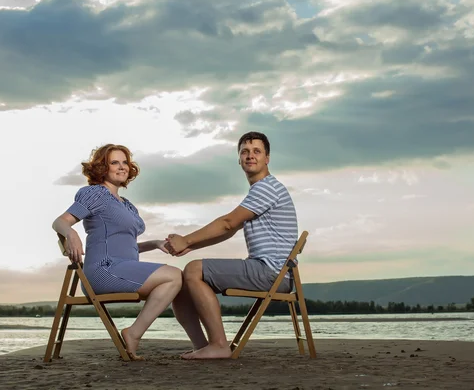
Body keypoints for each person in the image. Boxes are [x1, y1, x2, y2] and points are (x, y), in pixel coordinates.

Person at [166, 131, 298, 359]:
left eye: (257, 151)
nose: (250, 156)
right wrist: (191, 247)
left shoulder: (267, 187)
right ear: (239, 159)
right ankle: (203, 346)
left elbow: (228, 223)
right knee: (181, 282)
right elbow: (231, 230)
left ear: (267, 158)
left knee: (193, 270)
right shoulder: (260, 190)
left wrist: (185, 239)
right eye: (245, 152)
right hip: (271, 271)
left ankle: (218, 345)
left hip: (272, 273)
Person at [52, 144, 182, 361]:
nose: (122, 167)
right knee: (174, 275)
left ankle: (202, 345)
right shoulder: (95, 194)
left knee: (183, 280)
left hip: (121, 267)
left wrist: (155, 243)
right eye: (115, 162)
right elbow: (60, 221)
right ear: (102, 167)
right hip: (103, 270)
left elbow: (125, 247)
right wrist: (71, 234)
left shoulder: (127, 205)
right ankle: (133, 333)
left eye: (125, 162)